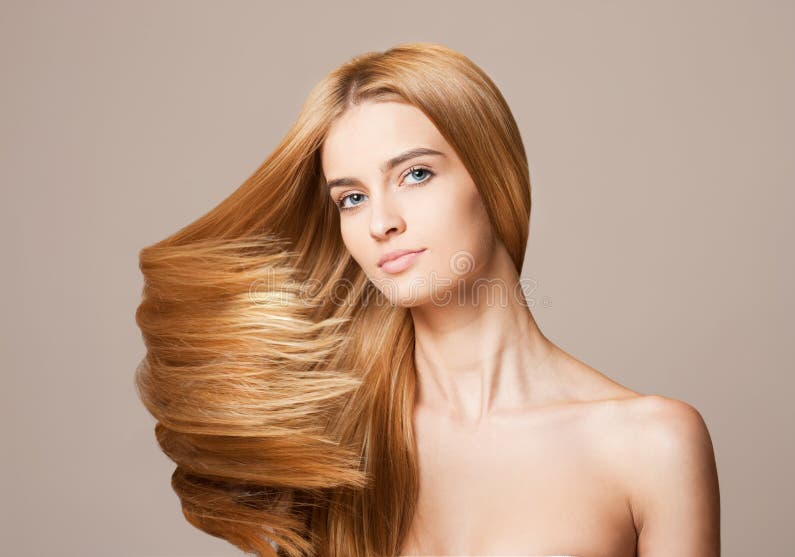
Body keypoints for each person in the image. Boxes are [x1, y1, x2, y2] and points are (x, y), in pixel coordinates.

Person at [134, 42, 720, 557]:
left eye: (415, 175)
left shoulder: (651, 445)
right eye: (352, 198)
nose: (381, 222)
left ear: (494, 179)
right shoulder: (334, 445)